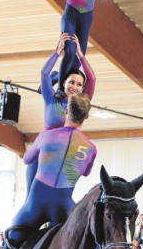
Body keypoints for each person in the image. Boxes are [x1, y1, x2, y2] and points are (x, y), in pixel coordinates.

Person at [0, 93, 96, 249]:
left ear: (66, 111)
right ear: (87, 116)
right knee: (87, 245)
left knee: (10, 245)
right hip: (63, 208)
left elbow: (28, 159)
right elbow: (85, 173)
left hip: (35, 205)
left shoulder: (47, 136)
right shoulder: (90, 148)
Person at [26, 33, 96, 197]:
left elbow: (92, 79)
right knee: (30, 199)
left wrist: (81, 54)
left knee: (56, 203)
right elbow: (44, 74)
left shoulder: (83, 102)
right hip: (42, 155)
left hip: (63, 158)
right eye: (71, 82)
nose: (75, 87)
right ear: (63, 82)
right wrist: (57, 51)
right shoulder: (51, 99)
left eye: (79, 85)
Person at [53, 0, 127, 97]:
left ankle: (55, 76)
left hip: (86, 18)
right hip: (71, 15)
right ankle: (60, 88)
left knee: (79, 56)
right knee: (70, 50)